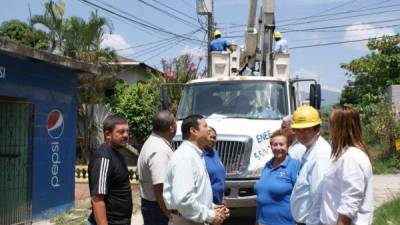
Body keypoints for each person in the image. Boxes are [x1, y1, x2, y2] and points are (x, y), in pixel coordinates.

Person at [163, 114, 229, 225]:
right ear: (193, 131)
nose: (209, 130)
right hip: (186, 220)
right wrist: (210, 215)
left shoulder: (196, 155)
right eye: (205, 126)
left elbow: (198, 194)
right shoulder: (185, 157)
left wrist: (214, 208)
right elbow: (184, 199)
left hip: (192, 219)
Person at [320, 106, 373, 225]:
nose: (329, 128)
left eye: (331, 124)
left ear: (339, 128)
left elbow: (350, 202)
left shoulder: (351, 157)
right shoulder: (344, 155)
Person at [289, 105, 332, 225]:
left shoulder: (320, 156)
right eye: (298, 130)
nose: (302, 134)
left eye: (306, 129)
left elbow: (319, 197)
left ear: (317, 129)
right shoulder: (309, 150)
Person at [87, 115, 132, 225]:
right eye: (121, 132)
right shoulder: (104, 158)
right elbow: (97, 198)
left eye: (127, 131)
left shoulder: (117, 154)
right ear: (108, 135)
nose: (126, 135)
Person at [138, 111, 177, 225]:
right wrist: (170, 215)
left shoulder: (155, 142)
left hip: (156, 207)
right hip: (159, 210)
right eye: (175, 123)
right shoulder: (160, 150)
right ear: (171, 128)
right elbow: (159, 188)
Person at [254, 129, 301, 225]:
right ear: (271, 146)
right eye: (275, 144)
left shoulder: (294, 166)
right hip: (262, 221)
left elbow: (301, 195)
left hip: (285, 222)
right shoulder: (267, 165)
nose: (278, 147)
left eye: (281, 144)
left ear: (288, 146)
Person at [203, 127, 225, 205]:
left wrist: (223, 198)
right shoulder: (199, 156)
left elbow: (220, 178)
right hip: (207, 203)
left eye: (214, 137)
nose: (212, 140)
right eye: (210, 137)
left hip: (218, 202)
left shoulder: (215, 153)